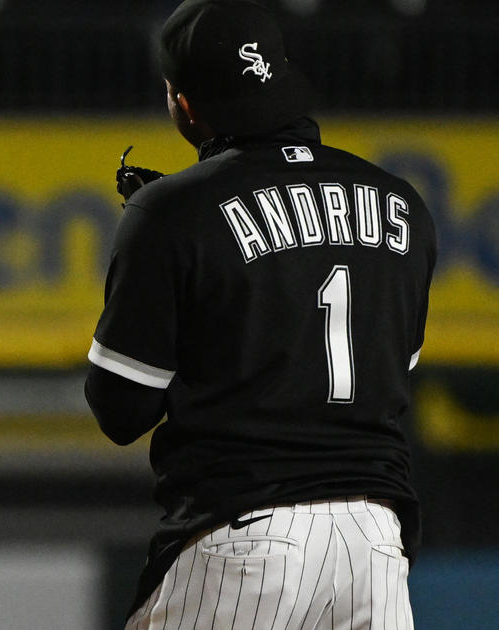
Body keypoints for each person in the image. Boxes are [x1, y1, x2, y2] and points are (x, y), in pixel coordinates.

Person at [84, 1, 435, 628]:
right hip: (376, 543)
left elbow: (120, 409)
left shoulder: (171, 212)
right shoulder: (401, 203)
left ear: (184, 104)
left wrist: (180, 274)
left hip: (245, 533)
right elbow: (388, 373)